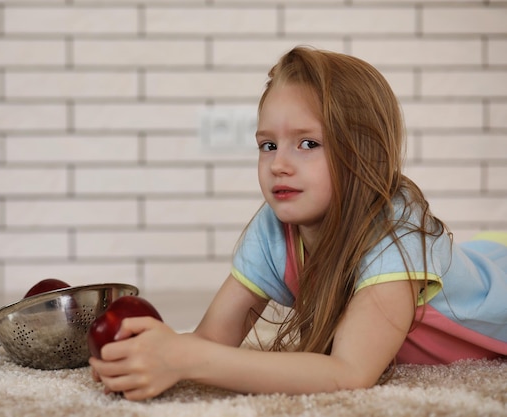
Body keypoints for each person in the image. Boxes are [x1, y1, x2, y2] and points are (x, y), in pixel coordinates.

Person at [89, 46, 507, 401]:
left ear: (365, 155)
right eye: (267, 145)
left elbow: (349, 373)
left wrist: (184, 358)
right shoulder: (274, 229)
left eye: (307, 143)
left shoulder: (394, 232)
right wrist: (151, 354)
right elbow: (211, 343)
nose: (279, 165)